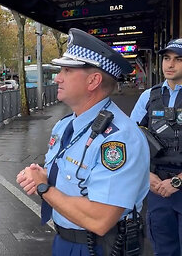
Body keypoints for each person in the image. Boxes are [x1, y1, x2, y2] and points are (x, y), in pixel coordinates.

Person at [16, 28, 150, 255]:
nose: (58, 77)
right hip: (64, 240)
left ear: (93, 81)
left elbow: (100, 219)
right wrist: (41, 174)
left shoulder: (120, 138)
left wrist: (43, 187)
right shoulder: (65, 125)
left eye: (67, 70)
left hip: (101, 246)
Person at [130, 38, 182, 256]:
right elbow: (132, 139)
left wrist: (178, 181)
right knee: (163, 249)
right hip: (157, 187)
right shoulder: (148, 97)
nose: (170, 65)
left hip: (177, 183)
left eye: (178, 59)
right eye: (166, 58)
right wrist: (146, 175)